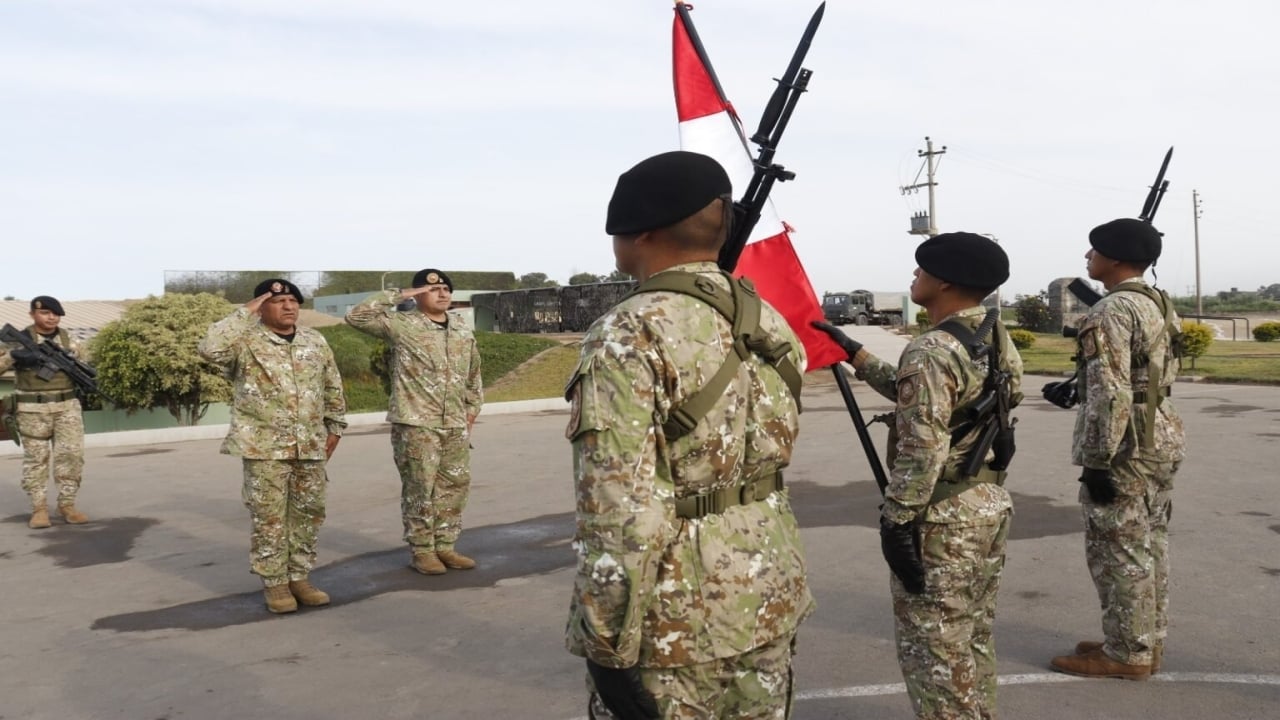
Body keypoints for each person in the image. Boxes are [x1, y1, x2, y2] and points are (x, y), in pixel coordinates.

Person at [564, 150, 812, 719]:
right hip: (768, 584)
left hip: (676, 612)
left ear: (636, 233)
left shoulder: (629, 328)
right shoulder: (766, 318)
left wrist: (606, 641)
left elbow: (618, 506)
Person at [815, 232, 1022, 719]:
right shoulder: (991, 335)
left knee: (935, 649)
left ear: (945, 280)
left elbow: (922, 446)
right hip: (985, 502)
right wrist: (856, 354)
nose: (914, 277)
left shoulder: (932, 348)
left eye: (921, 270)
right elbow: (936, 402)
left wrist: (898, 520)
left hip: (942, 517)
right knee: (969, 637)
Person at [1049, 218, 1185, 681]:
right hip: (1159, 431)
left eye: (1094, 251)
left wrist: (1098, 459)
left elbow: (1111, 391)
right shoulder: (1158, 302)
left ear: (1117, 258)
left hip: (1126, 443)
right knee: (1150, 543)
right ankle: (1144, 638)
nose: (1088, 259)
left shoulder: (1110, 310)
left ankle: (1127, 653)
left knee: (1119, 548)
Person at [198, 279, 347, 614]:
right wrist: (244, 312)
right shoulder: (244, 340)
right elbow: (209, 348)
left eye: (293, 300)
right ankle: (275, 583)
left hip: (309, 444)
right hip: (264, 447)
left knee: (307, 514)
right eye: (278, 300)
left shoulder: (314, 340)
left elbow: (331, 384)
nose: (289, 306)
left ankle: (300, 577)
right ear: (261, 306)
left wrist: (335, 427)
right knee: (269, 518)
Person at [344, 269, 483, 575]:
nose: (443, 293)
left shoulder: (461, 329)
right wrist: (399, 294)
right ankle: (422, 550)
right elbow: (356, 317)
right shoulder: (401, 325)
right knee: (420, 487)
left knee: (455, 486)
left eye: (446, 288)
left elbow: (473, 376)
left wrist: (470, 413)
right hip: (416, 423)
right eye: (434, 289)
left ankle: (446, 545)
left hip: (455, 424)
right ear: (418, 294)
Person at [0, 296, 91, 529]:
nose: (51, 318)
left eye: (55, 314)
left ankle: (67, 505)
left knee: (71, 457)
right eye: (45, 313)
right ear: (32, 314)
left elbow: (83, 367)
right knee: (36, 460)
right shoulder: (16, 342)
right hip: (32, 410)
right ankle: (39, 509)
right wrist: (14, 357)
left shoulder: (70, 340)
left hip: (67, 408)